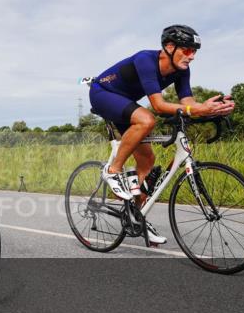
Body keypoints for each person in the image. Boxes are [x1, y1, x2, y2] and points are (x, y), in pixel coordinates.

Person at [88, 25, 235, 244]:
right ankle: (113, 170)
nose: (192, 56)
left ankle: (136, 217)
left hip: (125, 103)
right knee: (147, 120)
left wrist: (210, 108)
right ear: (169, 47)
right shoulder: (146, 60)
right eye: (187, 50)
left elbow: (188, 103)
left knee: (147, 160)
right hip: (103, 93)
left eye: (195, 51)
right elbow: (158, 105)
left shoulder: (182, 71)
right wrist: (197, 110)